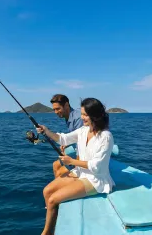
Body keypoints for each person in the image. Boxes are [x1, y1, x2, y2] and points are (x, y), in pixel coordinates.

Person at [36, 98, 114, 235]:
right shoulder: (83, 130)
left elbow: (97, 167)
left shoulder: (106, 136)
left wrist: (71, 161)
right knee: (47, 191)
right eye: (81, 114)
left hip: (95, 180)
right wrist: (46, 131)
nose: (81, 117)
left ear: (95, 116)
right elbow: (63, 139)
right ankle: (53, 220)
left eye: (85, 115)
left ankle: (47, 232)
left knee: (53, 199)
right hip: (80, 173)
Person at [50, 94, 83, 178]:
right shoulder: (68, 116)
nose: (56, 112)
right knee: (56, 165)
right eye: (54, 109)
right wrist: (67, 144)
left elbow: (82, 142)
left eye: (58, 109)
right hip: (79, 149)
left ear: (66, 105)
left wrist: (77, 165)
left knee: (61, 171)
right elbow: (75, 136)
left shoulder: (78, 118)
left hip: (85, 154)